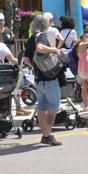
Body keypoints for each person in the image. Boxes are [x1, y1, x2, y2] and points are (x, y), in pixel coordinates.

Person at [25, 14, 64, 146]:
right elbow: (40, 48)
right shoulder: (41, 36)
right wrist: (54, 50)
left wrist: (37, 66)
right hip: (49, 78)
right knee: (53, 108)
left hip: (38, 79)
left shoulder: (30, 39)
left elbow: (26, 60)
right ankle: (47, 135)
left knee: (41, 108)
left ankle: (45, 135)